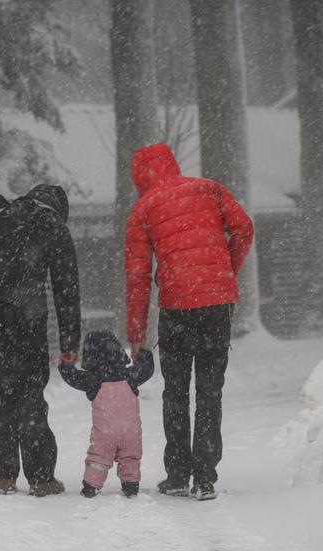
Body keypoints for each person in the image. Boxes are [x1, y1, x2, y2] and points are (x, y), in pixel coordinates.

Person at [124, 143, 254, 501]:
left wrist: (136, 334)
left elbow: (137, 276)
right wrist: (225, 271)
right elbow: (244, 228)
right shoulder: (208, 188)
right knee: (210, 391)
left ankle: (178, 473)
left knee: (176, 392)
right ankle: (206, 478)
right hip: (216, 306)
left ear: (139, 176)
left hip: (177, 308)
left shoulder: (142, 210)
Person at [0, 184, 81, 497]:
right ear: (58, 209)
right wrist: (70, 342)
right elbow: (66, 289)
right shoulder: (52, 225)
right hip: (24, 315)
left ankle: (4, 475)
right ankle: (41, 478)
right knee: (29, 391)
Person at [58, 330, 153, 498]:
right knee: (130, 457)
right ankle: (130, 485)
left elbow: (73, 378)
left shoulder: (93, 379)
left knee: (99, 459)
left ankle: (91, 486)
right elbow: (147, 369)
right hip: (131, 432)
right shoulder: (130, 375)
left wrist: (66, 366)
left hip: (104, 434)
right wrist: (143, 353)